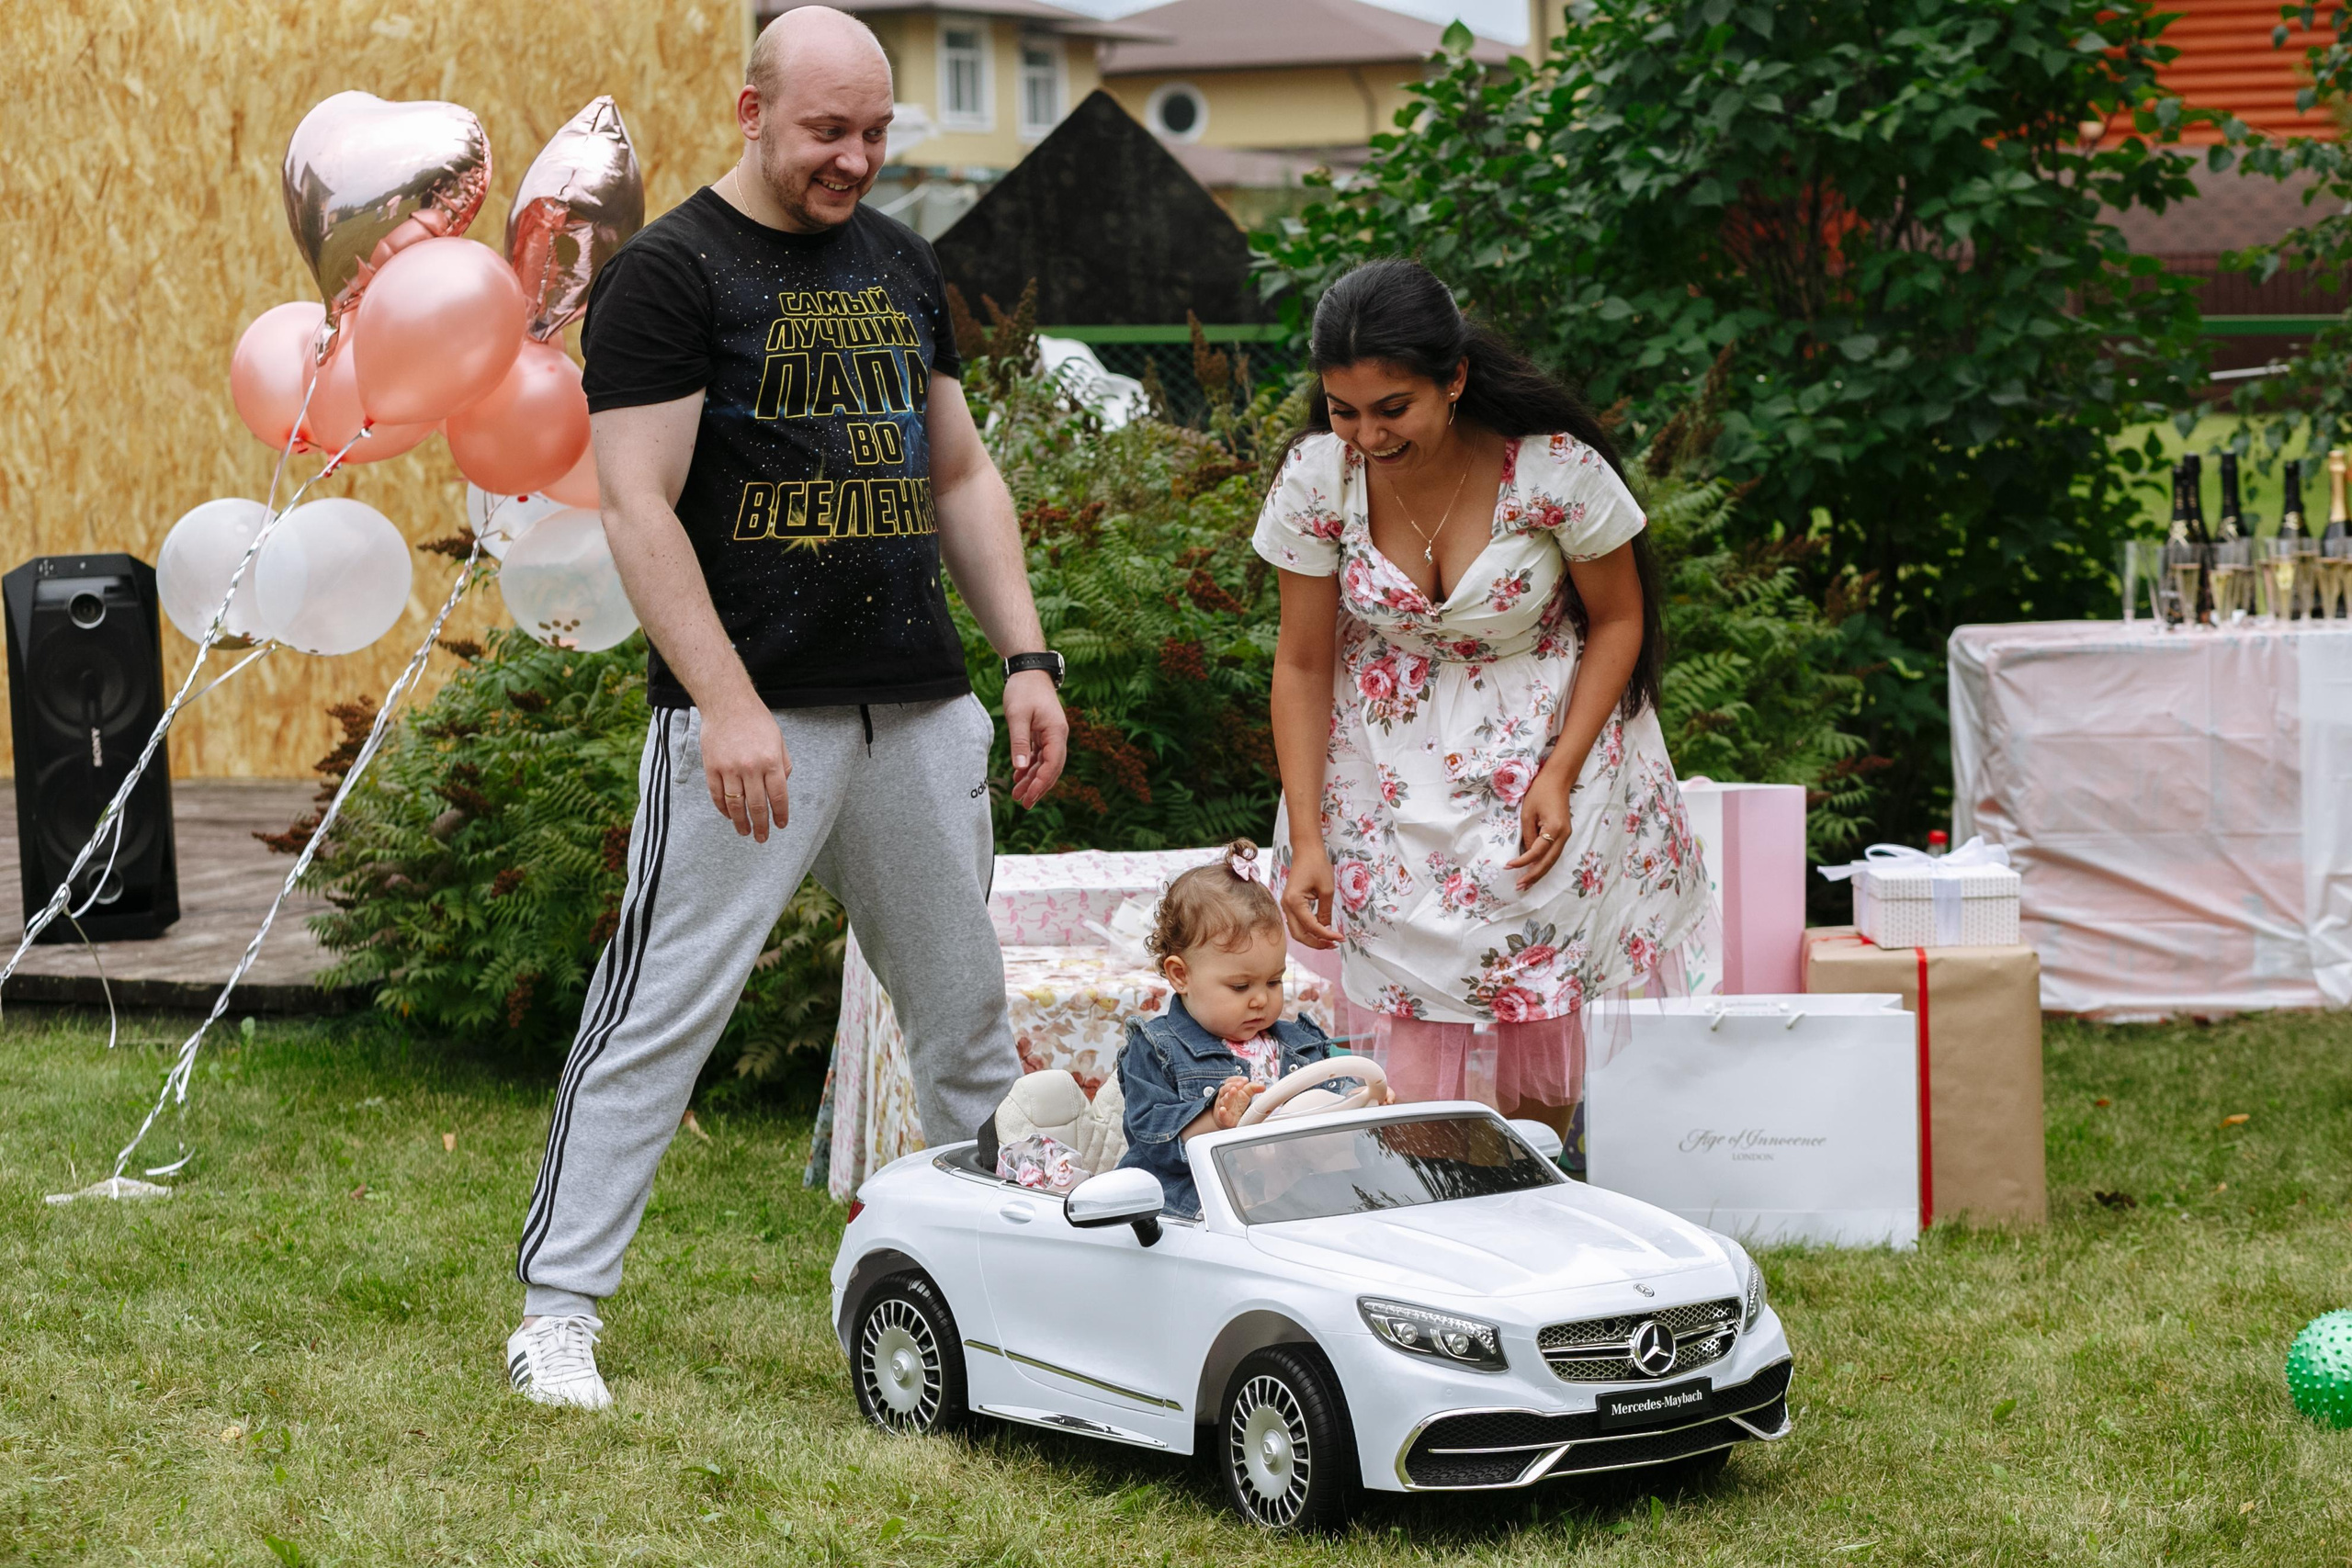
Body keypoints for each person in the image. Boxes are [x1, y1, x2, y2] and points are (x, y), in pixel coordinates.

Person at [504, 6, 1068, 1410]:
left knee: (967, 1026)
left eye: (877, 132)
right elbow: (637, 506)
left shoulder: (898, 262)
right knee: (658, 1013)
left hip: (920, 709)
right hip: (748, 723)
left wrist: (1029, 658)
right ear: (751, 111)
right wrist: (728, 701)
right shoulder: (668, 274)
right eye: (830, 131)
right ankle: (557, 1312)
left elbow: (960, 476)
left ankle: (1010, 1303)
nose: (857, 159)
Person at [1259, 258, 1712, 1150]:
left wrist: (1562, 770)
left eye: (1393, 409)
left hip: (1547, 748)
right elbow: (1304, 663)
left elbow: (1620, 621)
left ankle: (1530, 1193)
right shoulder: (1319, 479)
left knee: (1534, 993)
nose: (1366, 436)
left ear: (1454, 378)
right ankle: (1433, 1210)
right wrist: (1308, 836)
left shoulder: (1552, 472)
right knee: (1408, 999)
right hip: (1384, 769)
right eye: (1343, 410)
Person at [1114, 840, 1388, 1219]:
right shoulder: (1157, 1048)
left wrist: (1362, 1099)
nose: (1260, 1000)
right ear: (1181, 975)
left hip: (1300, 1201)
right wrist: (1217, 1119)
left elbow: (1334, 1094)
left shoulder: (1299, 1041)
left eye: (1274, 982)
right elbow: (1152, 1137)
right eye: (1241, 987)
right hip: (1201, 1209)